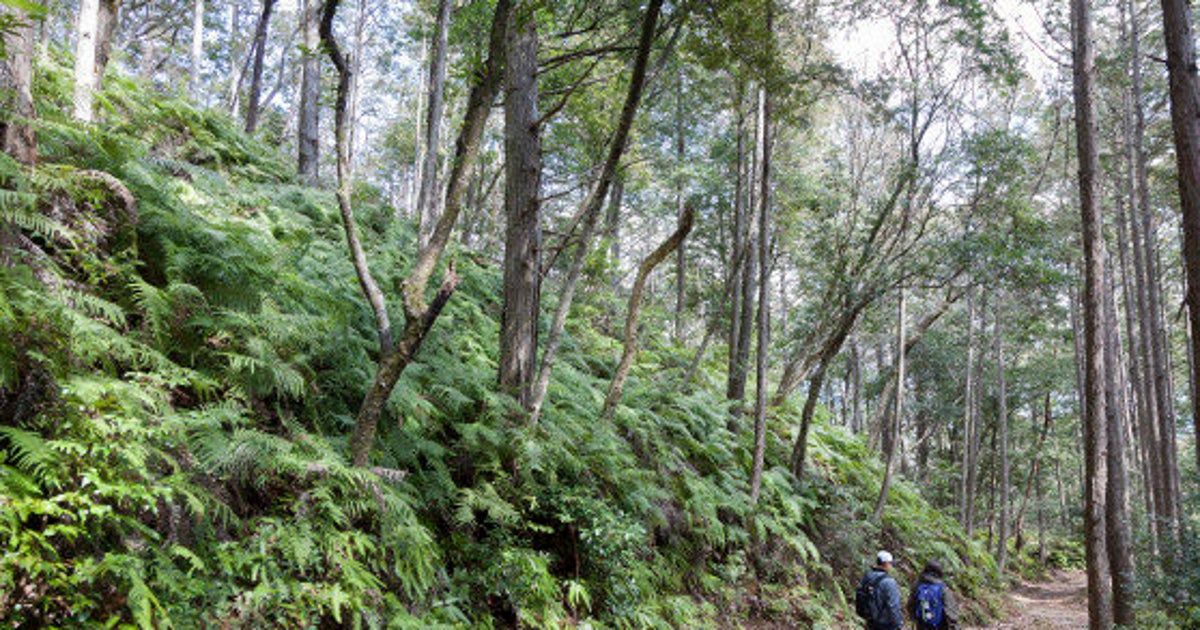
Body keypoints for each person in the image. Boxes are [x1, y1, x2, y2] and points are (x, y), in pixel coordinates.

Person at [856, 550, 904, 630]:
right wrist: (899, 625)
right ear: (886, 563)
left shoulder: (867, 576)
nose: (891, 565)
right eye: (891, 563)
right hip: (885, 624)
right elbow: (893, 606)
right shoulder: (889, 582)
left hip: (869, 621)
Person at [906, 560, 959, 630]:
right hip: (940, 626)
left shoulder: (917, 586)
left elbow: (910, 606)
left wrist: (915, 619)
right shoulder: (942, 588)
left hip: (922, 625)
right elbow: (950, 612)